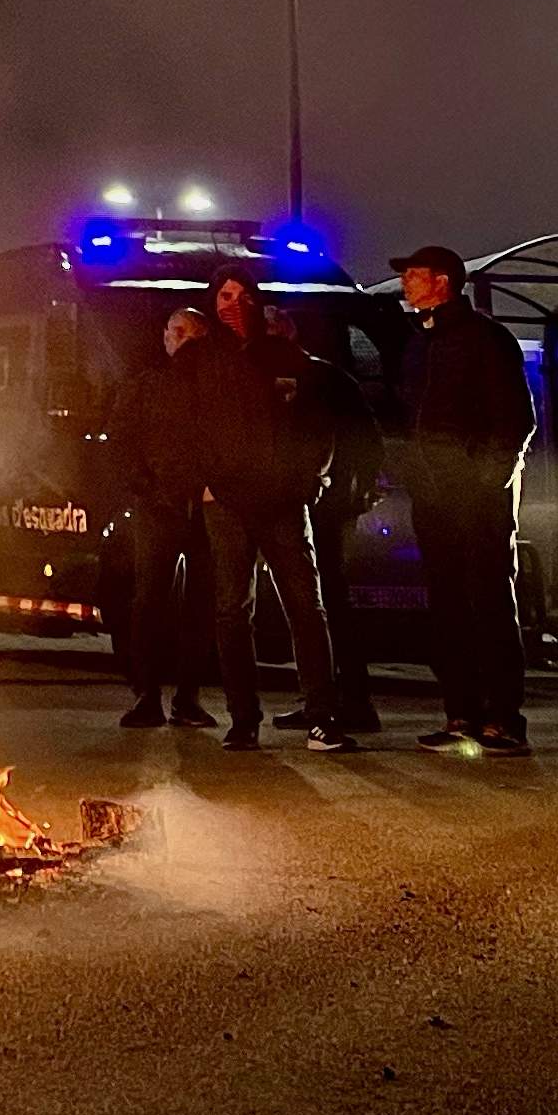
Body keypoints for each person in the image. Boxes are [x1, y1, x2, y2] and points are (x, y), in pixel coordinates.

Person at [184, 264, 354, 752]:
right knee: (232, 611)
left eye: (240, 294)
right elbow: (183, 428)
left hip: (281, 503)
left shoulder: (285, 356)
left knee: (306, 607)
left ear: (257, 301)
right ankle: (243, 721)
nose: (231, 304)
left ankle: (322, 716)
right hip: (227, 504)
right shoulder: (200, 360)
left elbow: (318, 427)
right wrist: (202, 486)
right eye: (222, 294)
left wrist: (309, 484)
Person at [395, 244, 536, 754]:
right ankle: (460, 715)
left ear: (443, 281)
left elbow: (516, 417)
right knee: (447, 605)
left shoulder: (485, 339)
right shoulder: (420, 343)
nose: (405, 283)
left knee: (489, 603)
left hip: (477, 500)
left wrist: (487, 481)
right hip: (432, 500)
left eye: (413, 275)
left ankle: (504, 719)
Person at [272, 304, 388, 736]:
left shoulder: (327, 380)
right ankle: (322, 698)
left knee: (330, 602)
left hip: (327, 505)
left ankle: (354, 702)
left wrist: (353, 491)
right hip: (304, 502)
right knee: (314, 604)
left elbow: (367, 441)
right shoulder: (322, 379)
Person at [114, 307, 217, 730]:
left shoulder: (215, 391)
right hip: (157, 507)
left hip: (205, 508)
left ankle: (188, 697)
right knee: (149, 601)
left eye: (188, 334)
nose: (178, 340)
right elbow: (122, 441)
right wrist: (146, 488)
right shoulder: (144, 387)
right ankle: (147, 695)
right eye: (174, 332)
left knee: (202, 604)